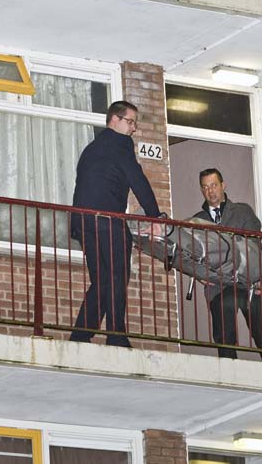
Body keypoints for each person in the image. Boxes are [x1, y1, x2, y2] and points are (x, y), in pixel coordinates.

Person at [70, 100, 164, 347]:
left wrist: (76, 228)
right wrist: (154, 216)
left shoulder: (91, 148)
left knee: (101, 279)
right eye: (130, 122)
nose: (133, 128)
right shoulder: (120, 144)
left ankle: (81, 334)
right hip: (108, 220)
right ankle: (116, 335)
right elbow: (137, 179)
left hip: (84, 222)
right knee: (118, 276)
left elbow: (81, 185)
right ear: (115, 120)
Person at [192, 168, 262, 363]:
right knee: (224, 332)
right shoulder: (197, 220)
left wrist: (260, 279)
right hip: (218, 285)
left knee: (260, 330)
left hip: (247, 281)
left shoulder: (242, 211)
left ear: (223, 185)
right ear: (201, 191)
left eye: (214, 185)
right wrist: (200, 274)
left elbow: (255, 247)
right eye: (205, 187)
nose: (210, 191)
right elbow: (194, 255)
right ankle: (230, 371)